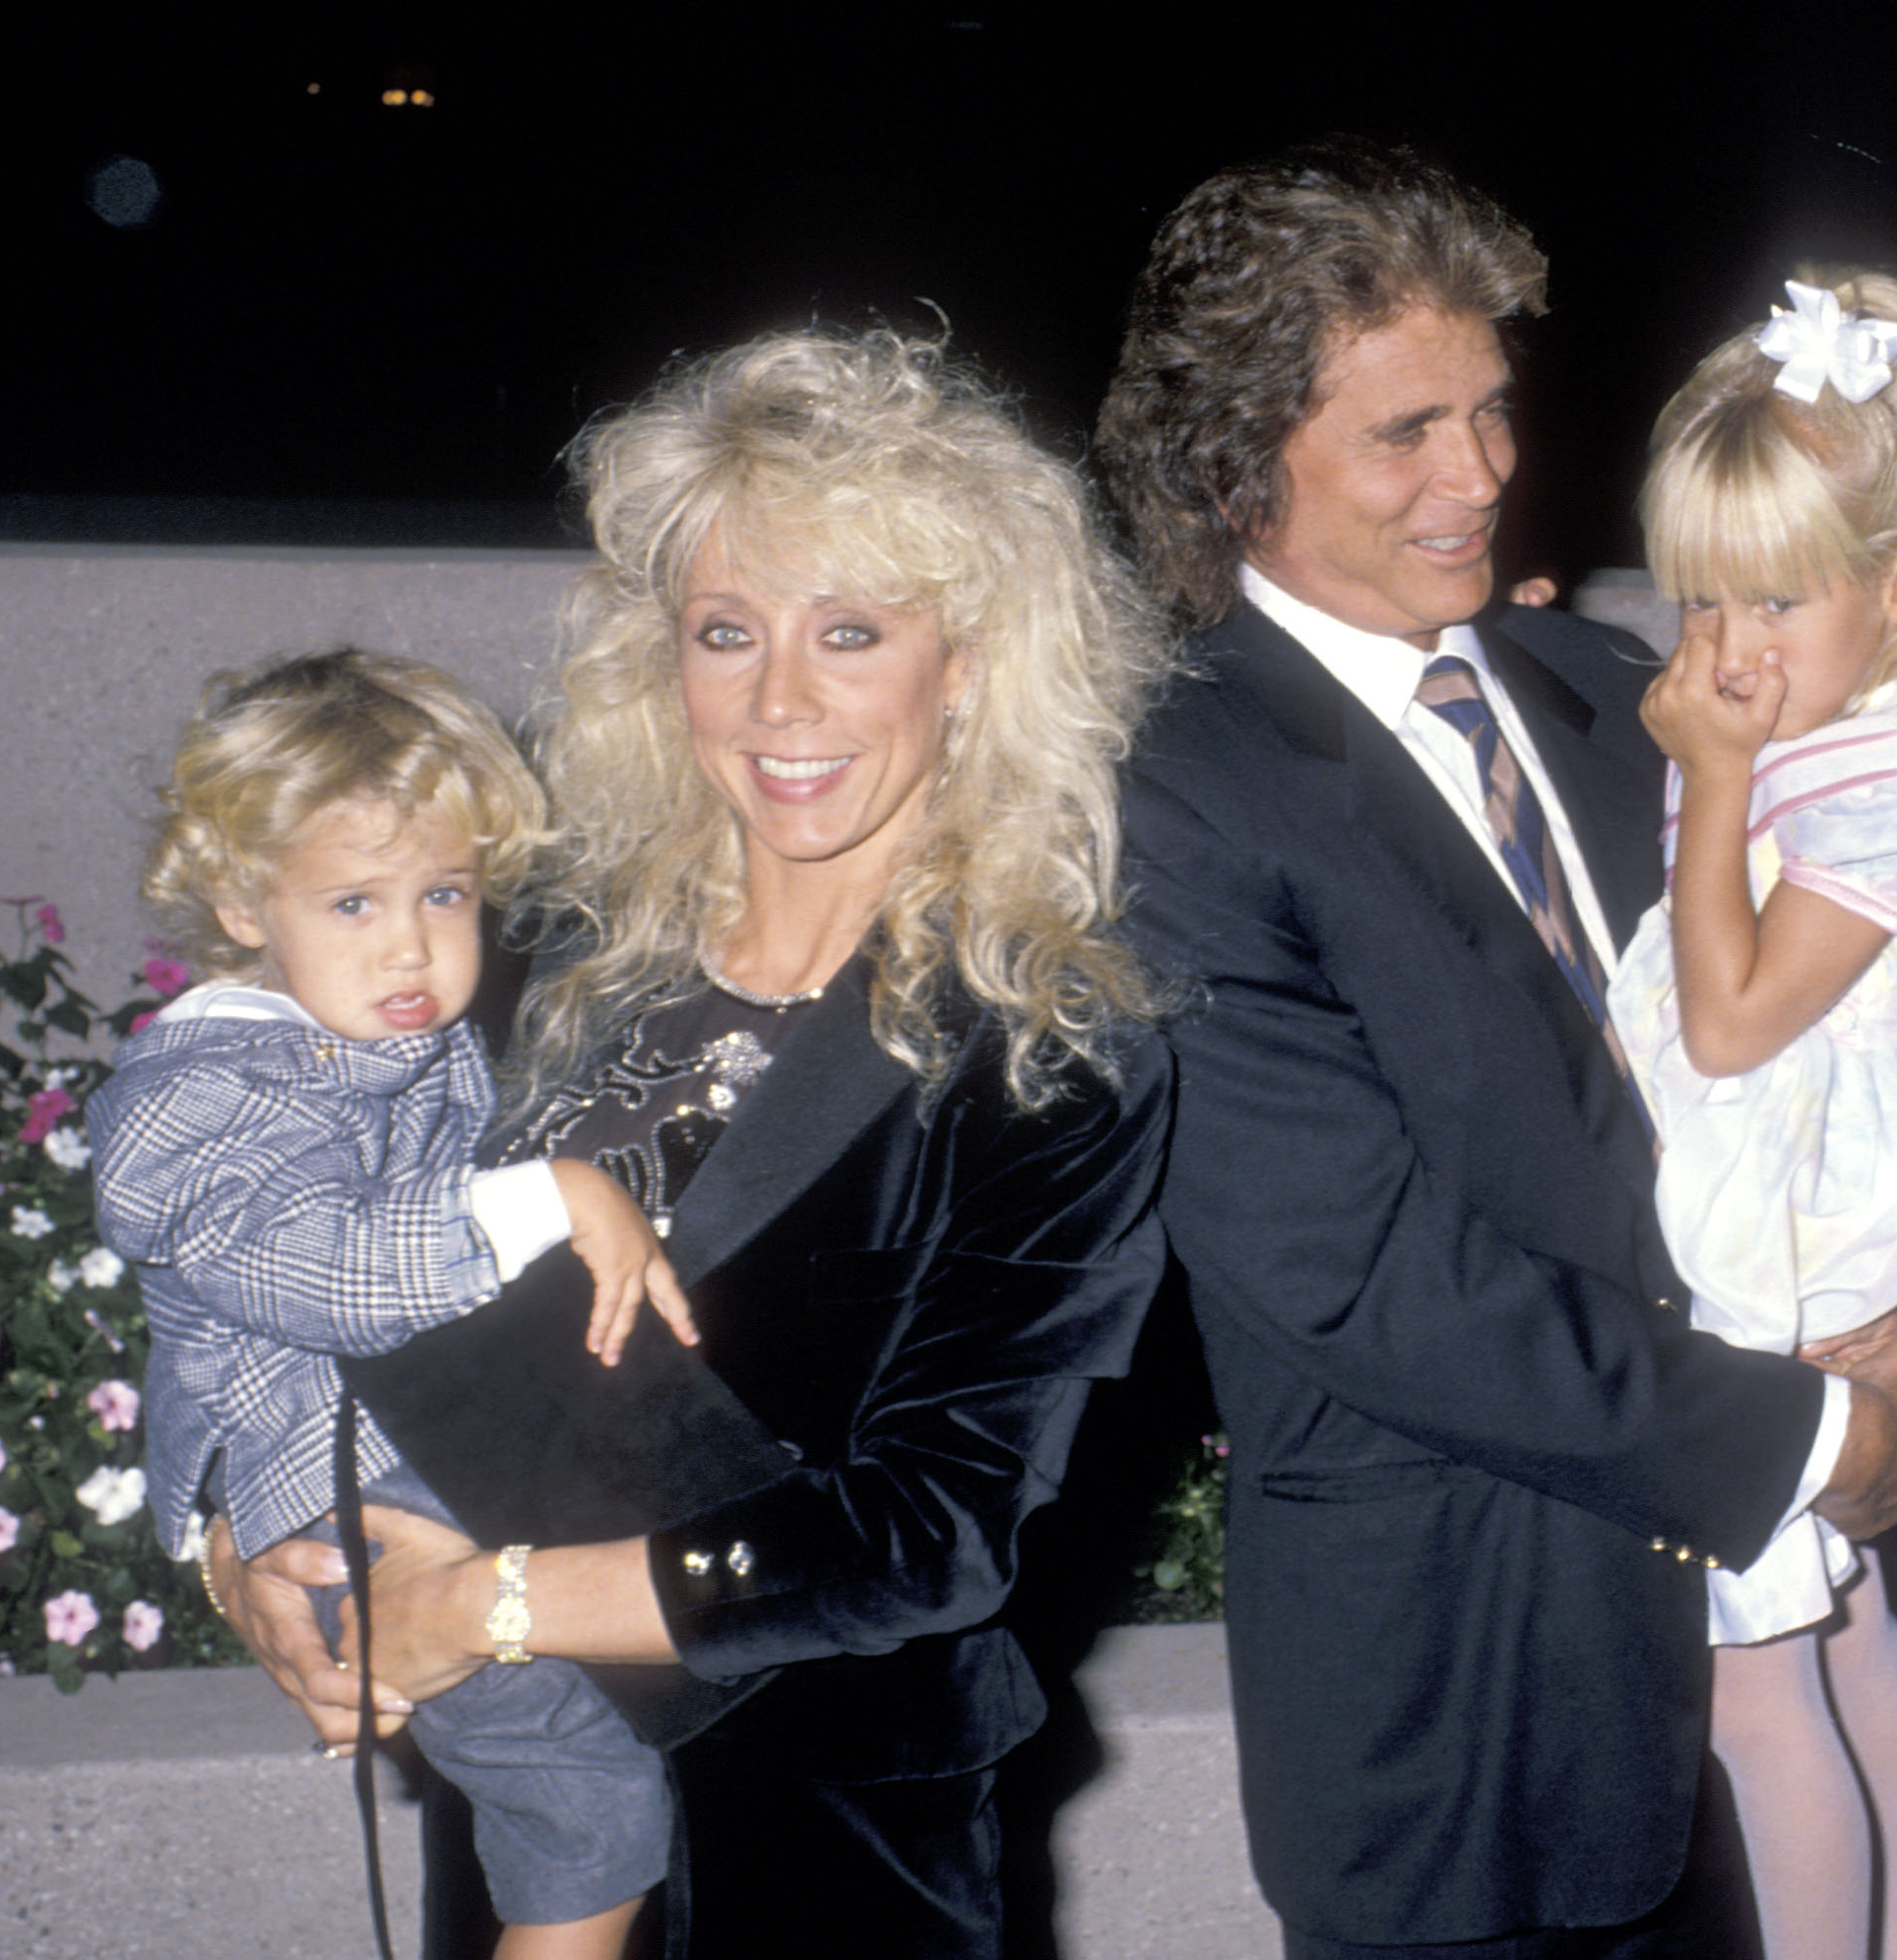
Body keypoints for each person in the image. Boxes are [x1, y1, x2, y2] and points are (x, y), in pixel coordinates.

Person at [205, 327, 1176, 1957]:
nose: (780, 700)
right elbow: (293, 1229)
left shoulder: (1050, 1049)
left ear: (975, 663)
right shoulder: (545, 963)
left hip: (827, 1851)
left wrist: (473, 1611)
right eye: (727, 633)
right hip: (529, 1829)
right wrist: (256, 1543)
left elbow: (928, 1537)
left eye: (851, 633)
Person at [1101, 138, 1897, 1957]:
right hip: (1460, 1735)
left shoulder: (1607, 697)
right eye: (1406, 431)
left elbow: (1840, 1048)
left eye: (1490, 411)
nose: (1482, 472)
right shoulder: (1173, 798)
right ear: (1236, 458)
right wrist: (1818, 1435)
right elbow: (1367, 1285)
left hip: (1720, 1717)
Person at [92, 650, 696, 1960]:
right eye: (355, 901)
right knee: (584, 1800)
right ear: (242, 903)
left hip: (425, 1460)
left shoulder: (396, 1041)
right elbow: (321, 1272)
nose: (414, 944)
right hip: (355, 1495)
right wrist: (546, 1199)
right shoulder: (198, 1093)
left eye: (446, 893)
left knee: (592, 1786)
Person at [1606, 271, 1897, 1960]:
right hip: (1799, 1174)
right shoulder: (1843, 706)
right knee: (1844, 1621)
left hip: (1803, 1203)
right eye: (1698, 602)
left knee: (1746, 1673)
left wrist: (1710, 778)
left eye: (1774, 604)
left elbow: (1728, 1023)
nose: (1724, 655)